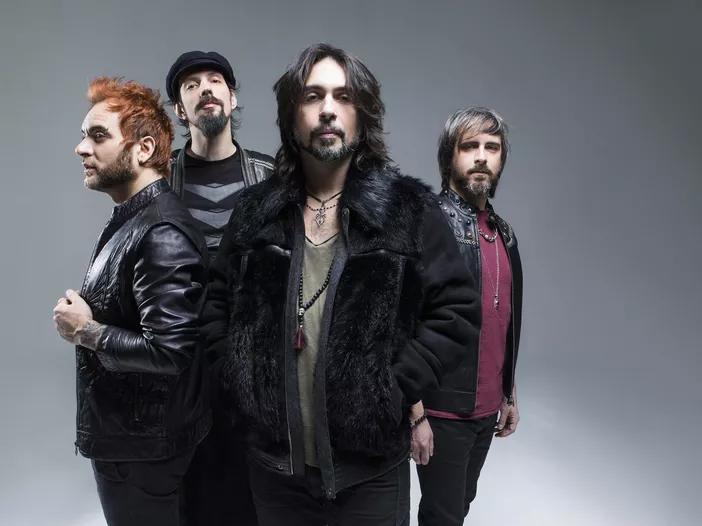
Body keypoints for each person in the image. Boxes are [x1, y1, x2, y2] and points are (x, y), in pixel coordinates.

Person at [203, 43, 480, 526]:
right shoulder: (254, 211)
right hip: (275, 470)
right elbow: (215, 307)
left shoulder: (406, 210)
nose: (328, 109)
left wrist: (393, 386)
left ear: (362, 116)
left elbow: (457, 310)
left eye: (344, 96)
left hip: (368, 472)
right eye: (313, 96)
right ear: (291, 116)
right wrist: (241, 379)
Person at [52, 77, 210, 526]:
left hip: (143, 455)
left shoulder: (161, 233)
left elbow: (169, 351)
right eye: (84, 135)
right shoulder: (136, 217)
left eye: (98, 135)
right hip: (136, 446)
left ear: (143, 149)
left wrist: (86, 331)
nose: (81, 148)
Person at [165, 49, 273, 525]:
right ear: (179, 109)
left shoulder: (270, 177)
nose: (205, 89)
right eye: (191, 85)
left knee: (253, 490)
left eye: (215, 81)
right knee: (191, 493)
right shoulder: (159, 179)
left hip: (250, 358)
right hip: (181, 362)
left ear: (232, 98)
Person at [416, 107, 523, 525]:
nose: (481, 156)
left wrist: (509, 394)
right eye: (470, 146)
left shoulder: (503, 232)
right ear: (450, 156)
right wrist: (416, 414)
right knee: (442, 516)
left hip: (487, 408)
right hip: (442, 410)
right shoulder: (428, 223)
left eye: (492, 148)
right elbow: (403, 323)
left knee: (459, 507)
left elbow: (503, 321)